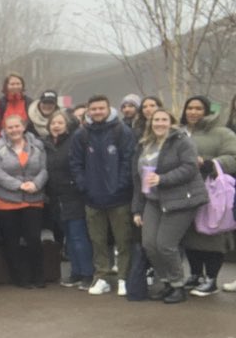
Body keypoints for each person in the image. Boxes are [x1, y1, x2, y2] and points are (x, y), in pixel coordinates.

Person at [132, 107, 207, 303]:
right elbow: (138, 179)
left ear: (171, 122)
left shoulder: (182, 141)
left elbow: (190, 168)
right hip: (153, 200)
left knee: (166, 245)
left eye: (164, 120)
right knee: (149, 244)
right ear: (151, 123)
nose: (159, 123)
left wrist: (163, 178)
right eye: (156, 120)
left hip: (181, 199)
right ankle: (166, 282)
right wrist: (137, 209)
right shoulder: (145, 144)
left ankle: (178, 286)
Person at [69, 95, 137, 297]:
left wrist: (121, 185)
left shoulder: (122, 131)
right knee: (97, 241)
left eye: (101, 108)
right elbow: (75, 164)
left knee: (123, 240)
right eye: (94, 109)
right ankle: (102, 277)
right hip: (92, 198)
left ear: (109, 109)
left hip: (119, 197)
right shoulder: (81, 134)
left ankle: (124, 277)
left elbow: (129, 160)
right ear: (88, 111)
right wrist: (84, 186)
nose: (97, 112)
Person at [178, 95, 236, 296]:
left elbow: (233, 156)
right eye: (190, 108)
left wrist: (211, 163)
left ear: (208, 111)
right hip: (184, 192)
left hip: (212, 193)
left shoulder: (222, 133)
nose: (193, 112)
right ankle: (195, 274)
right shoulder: (179, 132)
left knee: (212, 235)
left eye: (198, 108)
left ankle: (211, 279)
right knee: (190, 235)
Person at [0, 113, 49, 288]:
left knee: (33, 239)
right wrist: (19, 185)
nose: (14, 130)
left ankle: (38, 276)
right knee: (12, 242)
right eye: (10, 127)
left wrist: (36, 184)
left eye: (17, 126)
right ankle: (19, 278)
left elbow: (44, 169)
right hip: (6, 200)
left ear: (23, 127)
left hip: (33, 198)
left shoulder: (38, 146)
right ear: (5, 129)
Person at [45, 111, 94, 290]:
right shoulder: (47, 144)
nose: (56, 126)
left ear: (67, 125)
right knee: (68, 238)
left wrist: (79, 185)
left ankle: (88, 273)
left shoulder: (75, 141)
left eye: (60, 123)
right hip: (56, 197)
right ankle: (76, 272)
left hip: (74, 195)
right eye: (53, 123)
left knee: (79, 236)